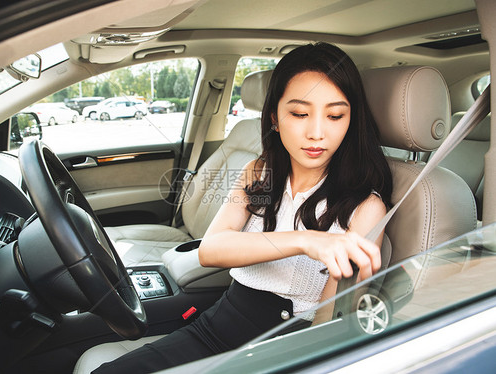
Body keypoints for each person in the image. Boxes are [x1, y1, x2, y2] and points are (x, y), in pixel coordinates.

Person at [93, 42, 393, 374]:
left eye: (335, 115)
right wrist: (306, 240)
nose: (317, 133)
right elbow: (212, 249)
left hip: (279, 347)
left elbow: (328, 323)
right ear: (275, 119)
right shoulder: (261, 174)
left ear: (351, 120)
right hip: (217, 324)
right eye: (299, 113)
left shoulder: (364, 208)